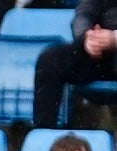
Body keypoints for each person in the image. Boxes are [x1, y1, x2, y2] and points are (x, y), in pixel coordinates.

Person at [32, 0, 117, 128]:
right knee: (51, 60)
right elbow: (83, 14)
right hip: (99, 54)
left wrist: (114, 39)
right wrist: (87, 37)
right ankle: (44, 135)